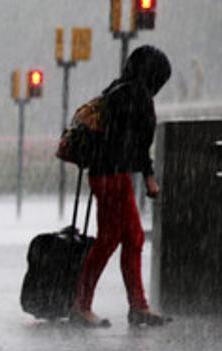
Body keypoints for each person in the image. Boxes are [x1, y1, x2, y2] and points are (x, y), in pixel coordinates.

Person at [73, 46, 172, 328]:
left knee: (133, 238)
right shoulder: (137, 95)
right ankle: (81, 304)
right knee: (109, 240)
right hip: (113, 176)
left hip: (107, 175)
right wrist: (150, 176)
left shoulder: (116, 89)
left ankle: (138, 305)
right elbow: (136, 143)